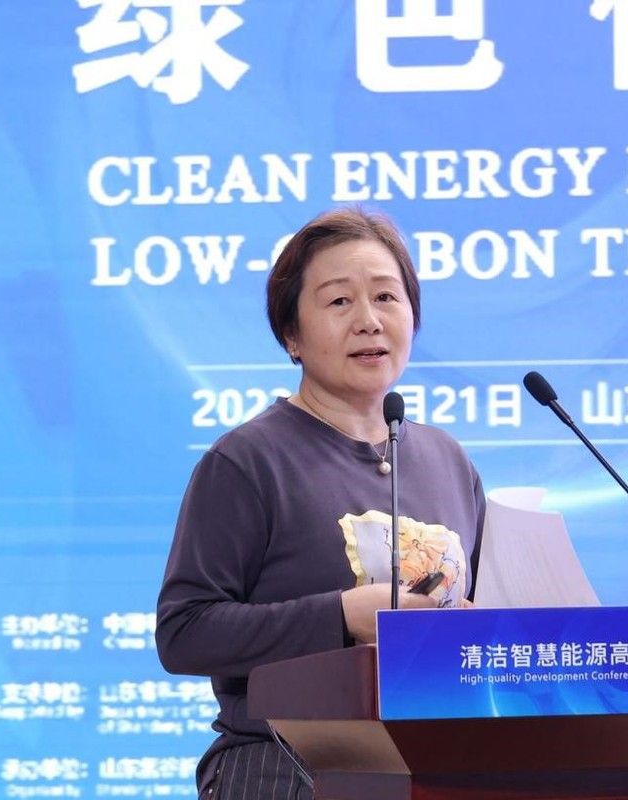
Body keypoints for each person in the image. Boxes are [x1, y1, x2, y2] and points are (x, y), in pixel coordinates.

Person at [156, 206, 486, 799]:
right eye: (339, 301)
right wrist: (341, 616)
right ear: (292, 336)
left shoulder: (447, 459)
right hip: (285, 770)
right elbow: (184, 632)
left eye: (386, 297)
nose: (369, 321)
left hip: (435, 770)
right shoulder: (247, 460)